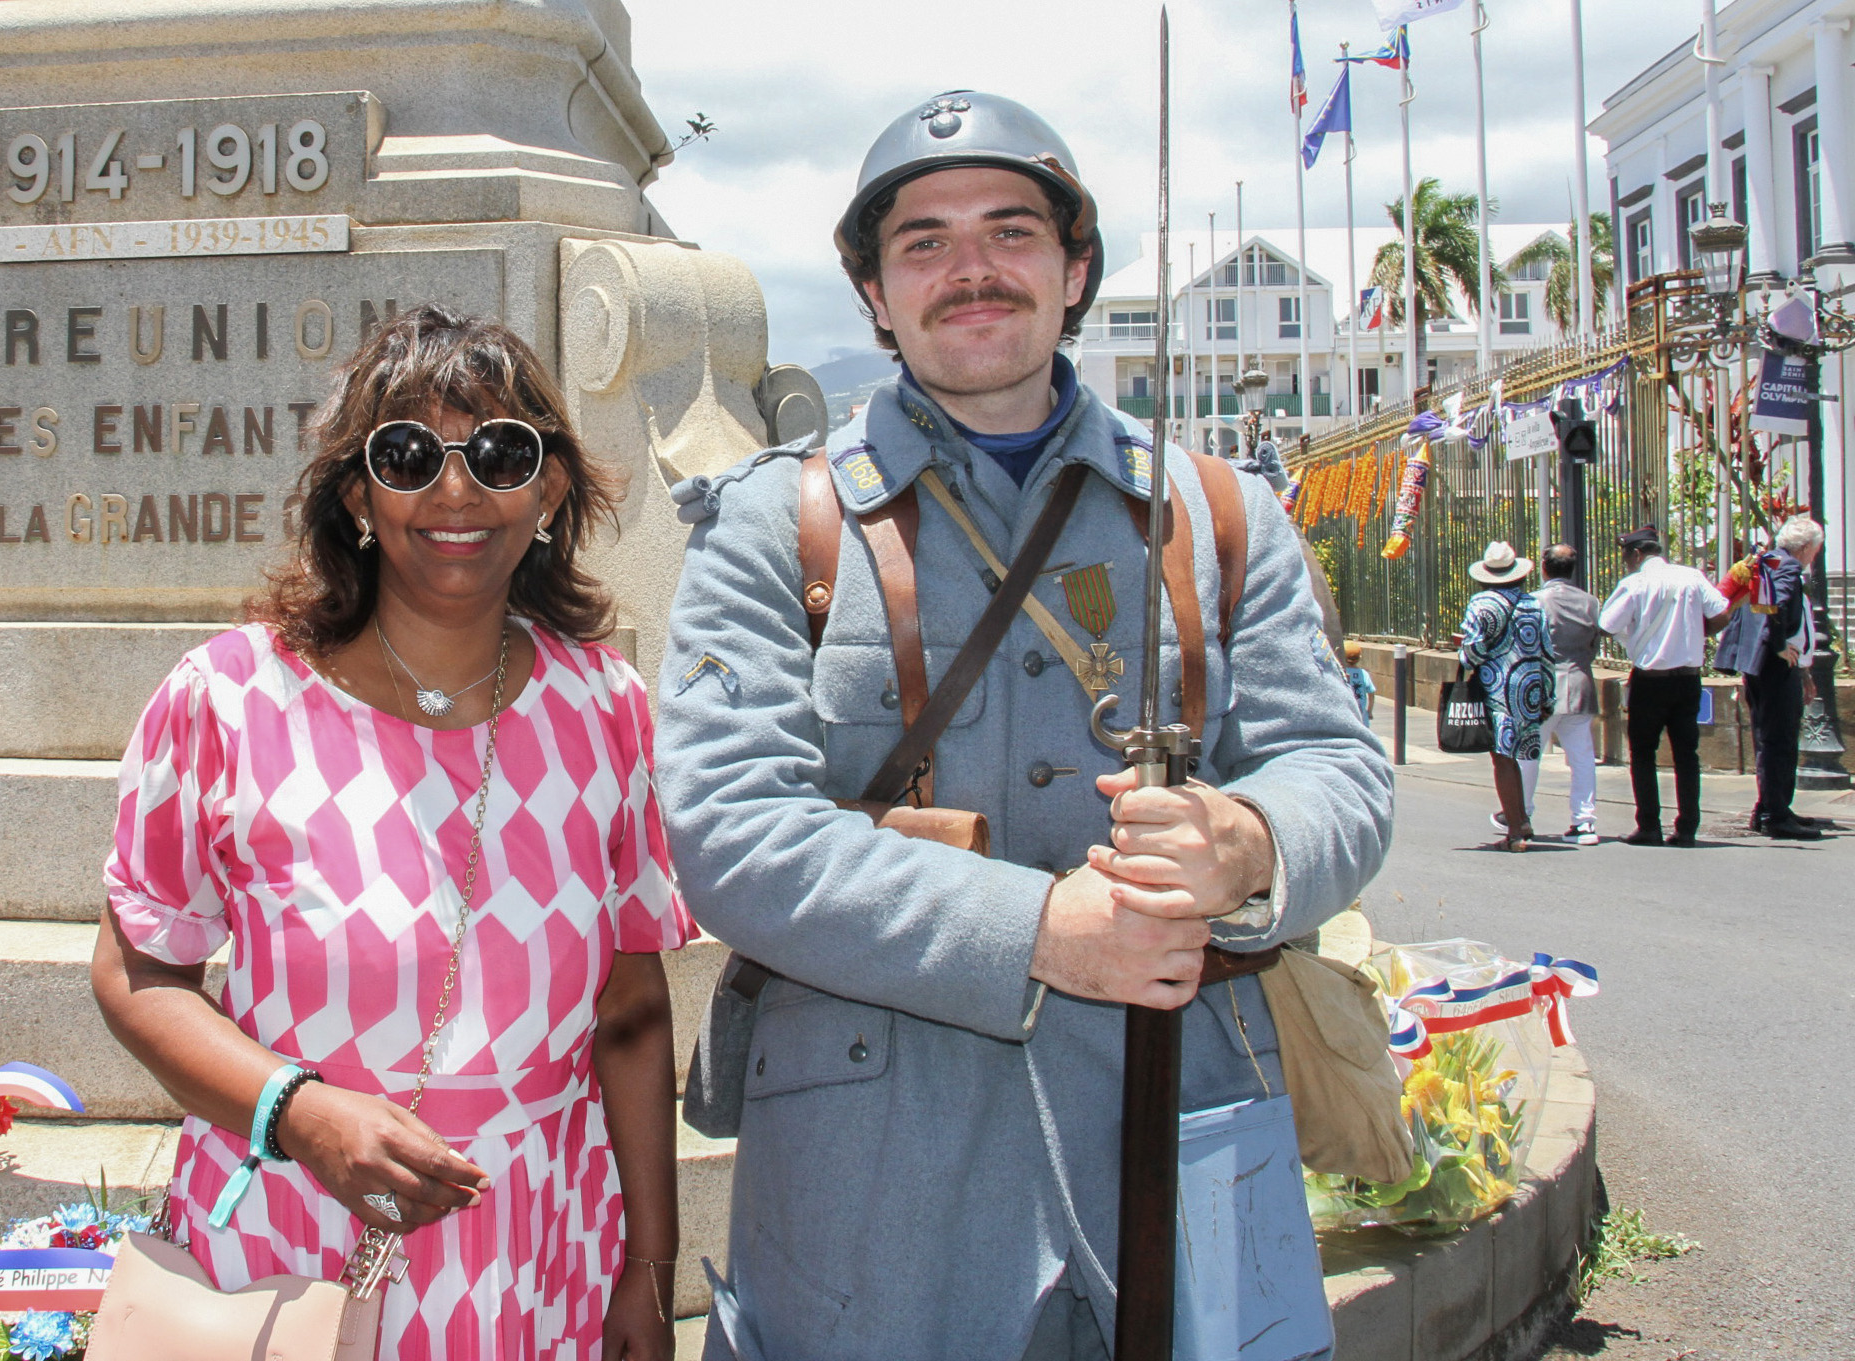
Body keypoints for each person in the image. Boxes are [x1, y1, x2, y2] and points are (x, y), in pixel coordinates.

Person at [657, 91, 1390, 1360]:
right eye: (923, 242)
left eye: (1009, 230)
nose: (970, 270)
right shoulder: (778, 527)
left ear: (1075, 267)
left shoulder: (1217, 515)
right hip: (870, 1186)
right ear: (874, 294)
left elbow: (1339, 769)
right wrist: (1040, 929)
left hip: (1177, 1121)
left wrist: (1250, 841)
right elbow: (730, 830)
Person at [91, 308, 692, 1361]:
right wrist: (301, 1111)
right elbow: (138, 973)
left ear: (548, 489)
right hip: (293, 1228)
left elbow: (634, 1015)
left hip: (538, 1244)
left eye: (500, 452)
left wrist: (648, 1267)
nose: (455, 491)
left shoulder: (608, 710)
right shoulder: (226, 699)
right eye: (407, 456)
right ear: (357, 494)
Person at [1598, 525, 1736, 846]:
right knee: (1687, 754)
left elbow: (1606, 625)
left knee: (1643, 753)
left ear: (1636, 554)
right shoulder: (1691, 577)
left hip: (1650, 680)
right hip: (1688, 678)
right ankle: (1687, 827)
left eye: (1625, 556)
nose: (1624, 562)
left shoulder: (1634, 584)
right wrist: (1697, 634)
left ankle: (1649, 825)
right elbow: (1722, 613)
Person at [1735, 515, 1827, 841]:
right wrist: (1778, 647)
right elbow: (1773, 606)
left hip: (1759, 666)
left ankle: (1771, 807)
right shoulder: (1787, 566)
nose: (1813, 557)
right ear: (1804, 548)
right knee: (1781, 741)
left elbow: (1760, 604)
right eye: (1814, 551)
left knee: (1768, 739)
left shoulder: (1768, 560)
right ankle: (1776, 814)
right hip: (1775, 668)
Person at [1457, 542, 1553, 851]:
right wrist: (1547, 697)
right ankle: (1521, 819)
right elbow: (1547, 652)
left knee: (1503, 758)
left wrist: (1466, 655)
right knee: (1521, 756)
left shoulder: (1481, 603)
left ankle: (1515, 830)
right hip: (1530, 689)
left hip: (1497, 689)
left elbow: (1472, 651)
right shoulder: (1534, 604)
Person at [1527, 544, 1603, 844]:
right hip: (1580, 682)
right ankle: (1584, 822)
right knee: (1582, 757)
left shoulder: (1534, 602)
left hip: (1543, 689)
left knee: (1530, 755)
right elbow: (1594, 644)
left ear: (1545, 567)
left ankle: (1523, 814)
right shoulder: (1590, 603)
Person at [1343, 639, 1378, 720]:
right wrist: (1369, 711)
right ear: (1360, 657)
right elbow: (1371, 694)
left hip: (1346, 714)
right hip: (1361, 715)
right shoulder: (1364, 674)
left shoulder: (1342, 673)